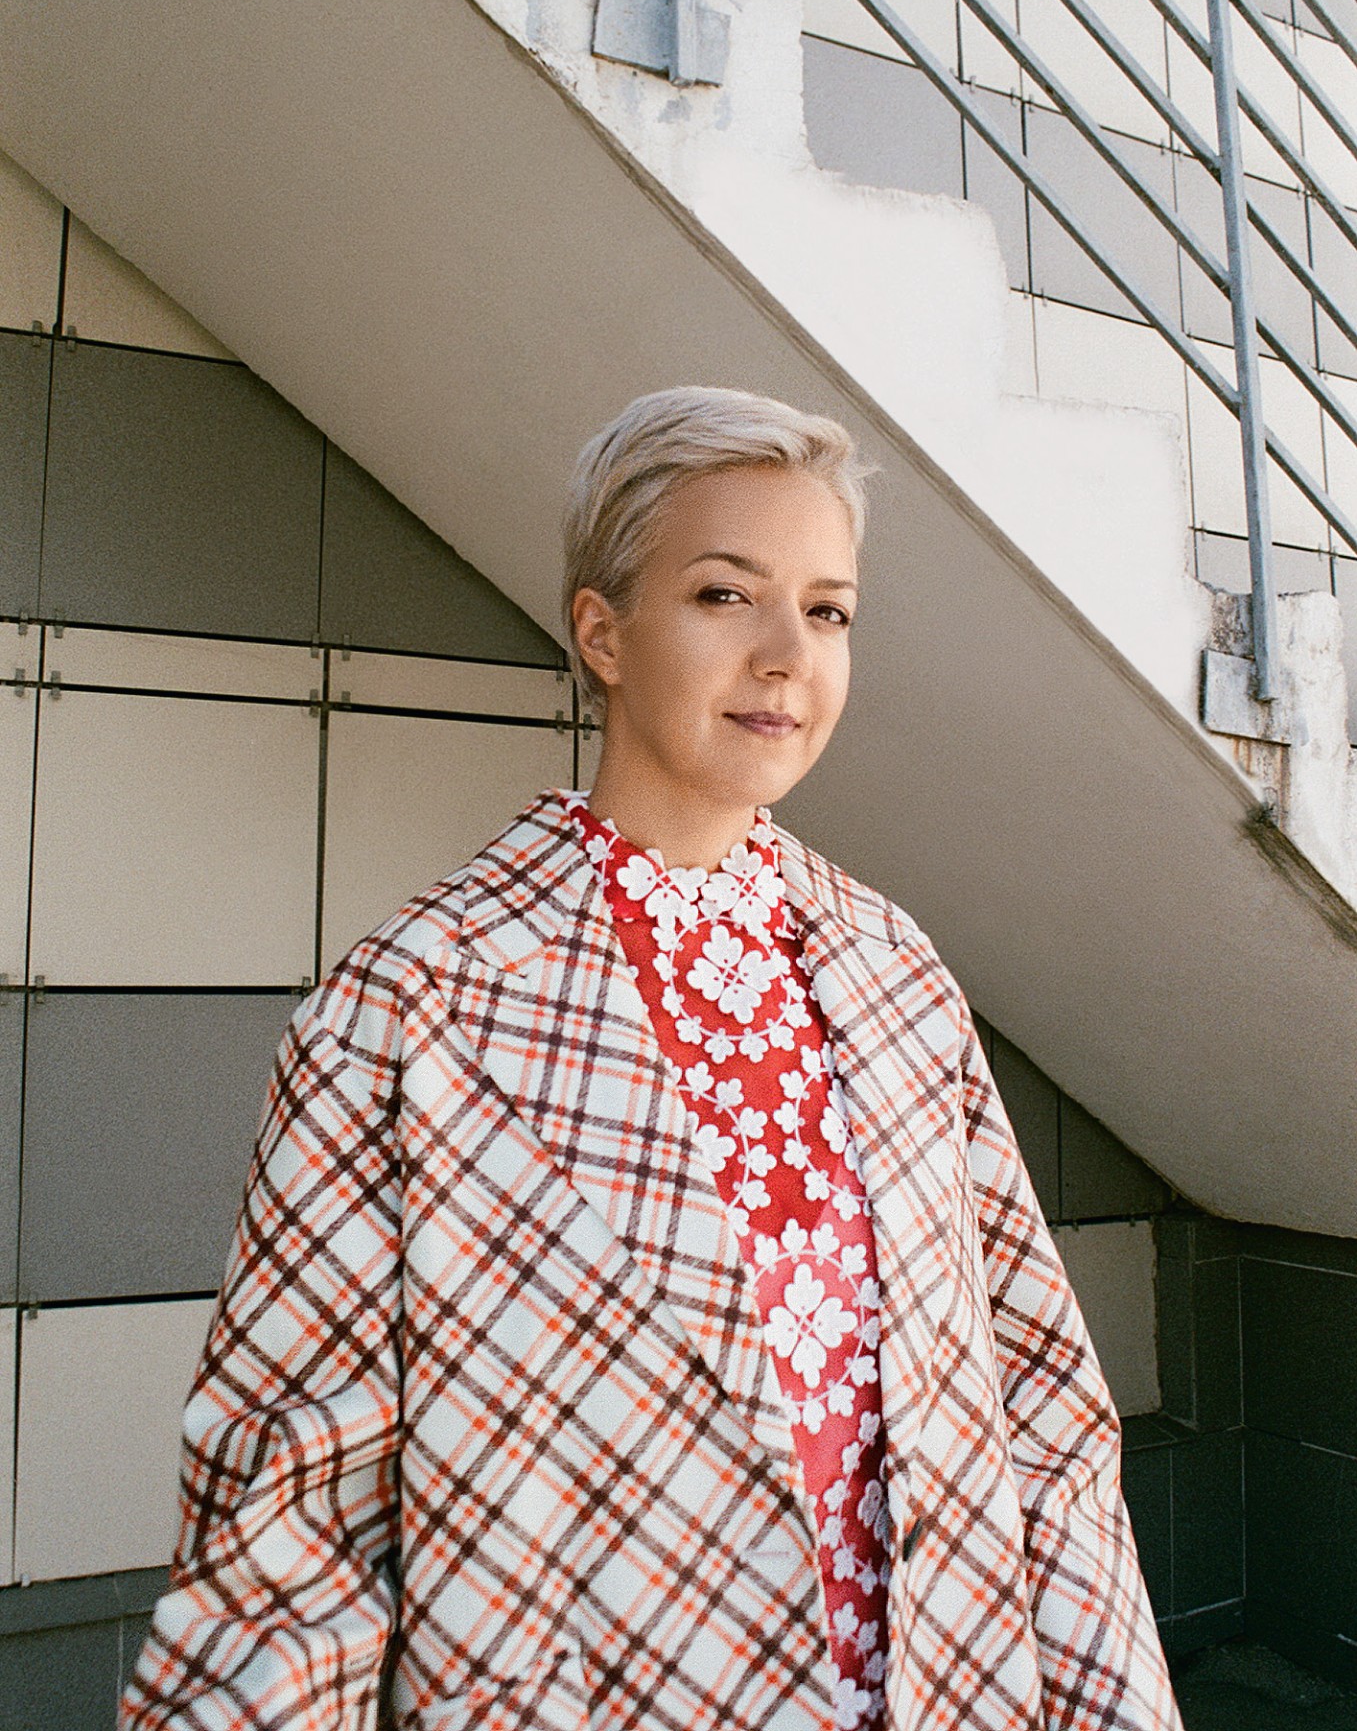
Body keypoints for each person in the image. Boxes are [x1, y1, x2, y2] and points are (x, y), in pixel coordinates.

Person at [121, 386, 1181, 1731]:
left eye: (829, 610)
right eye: (726, 595)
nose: (787, 656)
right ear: (602, 632)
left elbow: (1042, 1418)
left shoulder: (893, 970)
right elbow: (284, 1533)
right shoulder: (412, 1003)